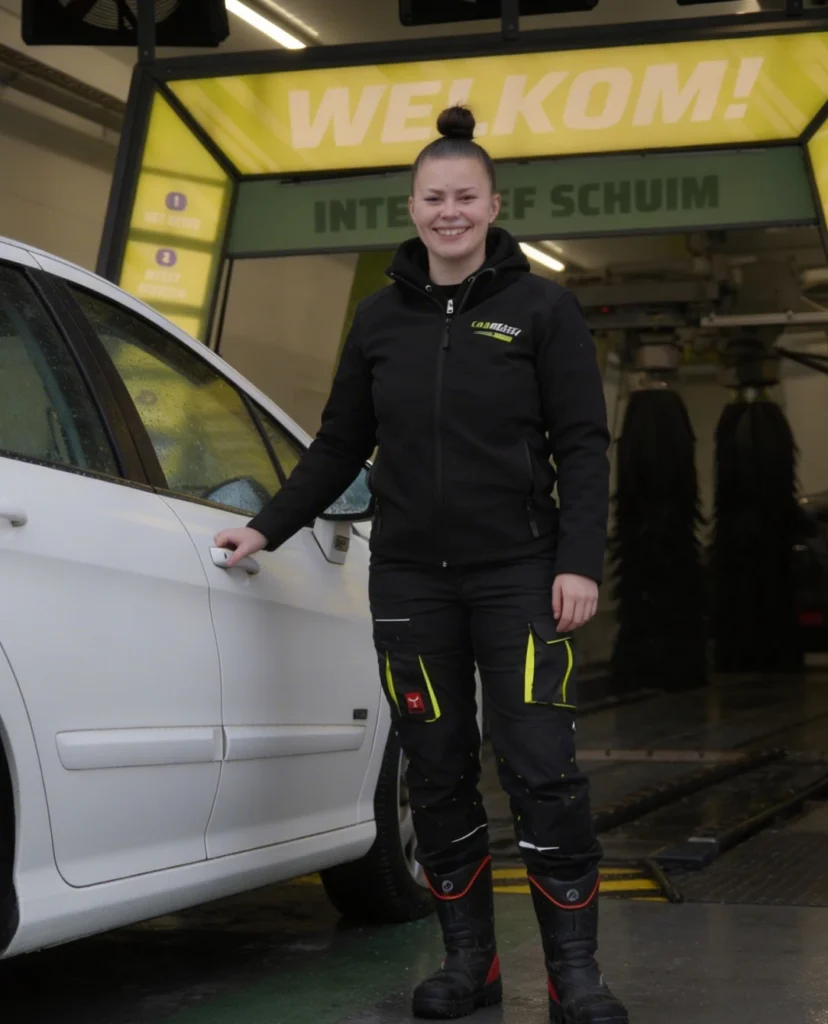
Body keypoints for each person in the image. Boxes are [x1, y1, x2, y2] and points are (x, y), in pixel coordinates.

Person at [215, 105, 628, 1024]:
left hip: (520, 575)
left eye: (465, 197)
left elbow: (584, 444)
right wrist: (268, 527)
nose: (450, 212)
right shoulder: (379, 320)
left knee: (542, 770)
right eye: (434, 197)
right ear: (412, 205)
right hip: (409, 581)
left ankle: (576, 977)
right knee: (435, 771)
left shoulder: (541, 309)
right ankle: (469, 964)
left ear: (492, 204)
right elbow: (338, 444)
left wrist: (578, 561)